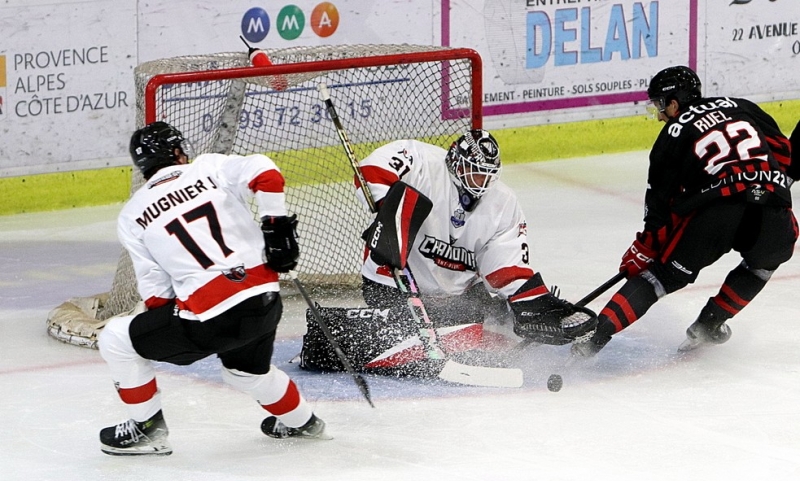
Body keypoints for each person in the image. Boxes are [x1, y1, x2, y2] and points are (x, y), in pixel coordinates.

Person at [96, 121, 328, 456]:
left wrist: (163, 330)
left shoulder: (132, 214)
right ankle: (304, 422)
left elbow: (157, 293)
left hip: (210, 319)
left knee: (116, 339)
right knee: (246, 372)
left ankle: (147, 429)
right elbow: (267, 173)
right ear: (177, 152)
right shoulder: (209, 167)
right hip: (264, 301)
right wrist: (275, 227)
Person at [301, 129, 596, 375]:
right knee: (400, 339)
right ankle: (332, 335)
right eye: (474, 173)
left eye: (487, 176)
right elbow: (371, 171)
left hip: (457, 296)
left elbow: (507, 268)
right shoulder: (419, 160)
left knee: (476, 333)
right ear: (455, 161)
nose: (480, 183)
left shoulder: (503, 203)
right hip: (392, 283)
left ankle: (449, 330)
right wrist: (388, 213)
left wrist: (536, 304)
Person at [572, 66, 798, 357]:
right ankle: (708, 325)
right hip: (772, 202)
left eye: (660, 105)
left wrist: (644, 250)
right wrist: (762, 178)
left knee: (658, 279)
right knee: (763, 264)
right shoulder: (740, 106)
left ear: (674, 102)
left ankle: (592, 340)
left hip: (716, 211)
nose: (659, 114)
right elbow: (783, 151)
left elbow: (659, 206)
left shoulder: (672, 133)